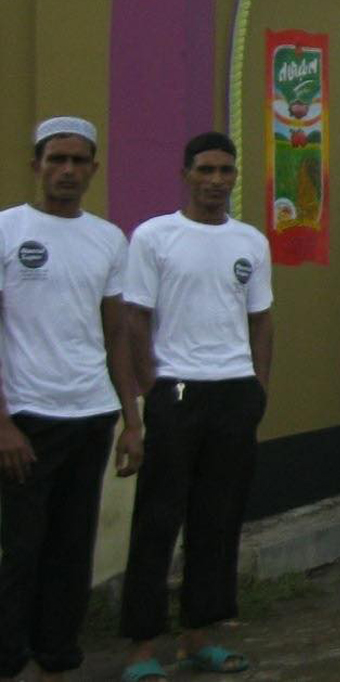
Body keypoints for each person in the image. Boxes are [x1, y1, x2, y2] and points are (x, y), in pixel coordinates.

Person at [120, 133, 274, 680]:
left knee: (218, 520)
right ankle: (142, 648)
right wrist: (151, 388)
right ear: (185, 174)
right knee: (158, 519)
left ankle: (198, 636)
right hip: (176, 391)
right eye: (205, 170)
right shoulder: (154, 237)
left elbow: (261, 319)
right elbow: (135, 317)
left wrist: (257, 388)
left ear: (235, 177)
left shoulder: (250, 241)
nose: (215, 181)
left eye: (225, 171)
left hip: (233, 393)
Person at [0, 118, 142, 681]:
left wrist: (132, 421)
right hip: (27, 419)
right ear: (36, 165)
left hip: (91, 414)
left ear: (93, 169)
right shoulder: (7, 230)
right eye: (56, 159)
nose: (67, 170)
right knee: (21, 552)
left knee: (71, 552)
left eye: (78, 161)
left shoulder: (108, 239)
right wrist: (4, 424)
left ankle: (56, 661)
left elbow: (116, 335)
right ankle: (11, 663)